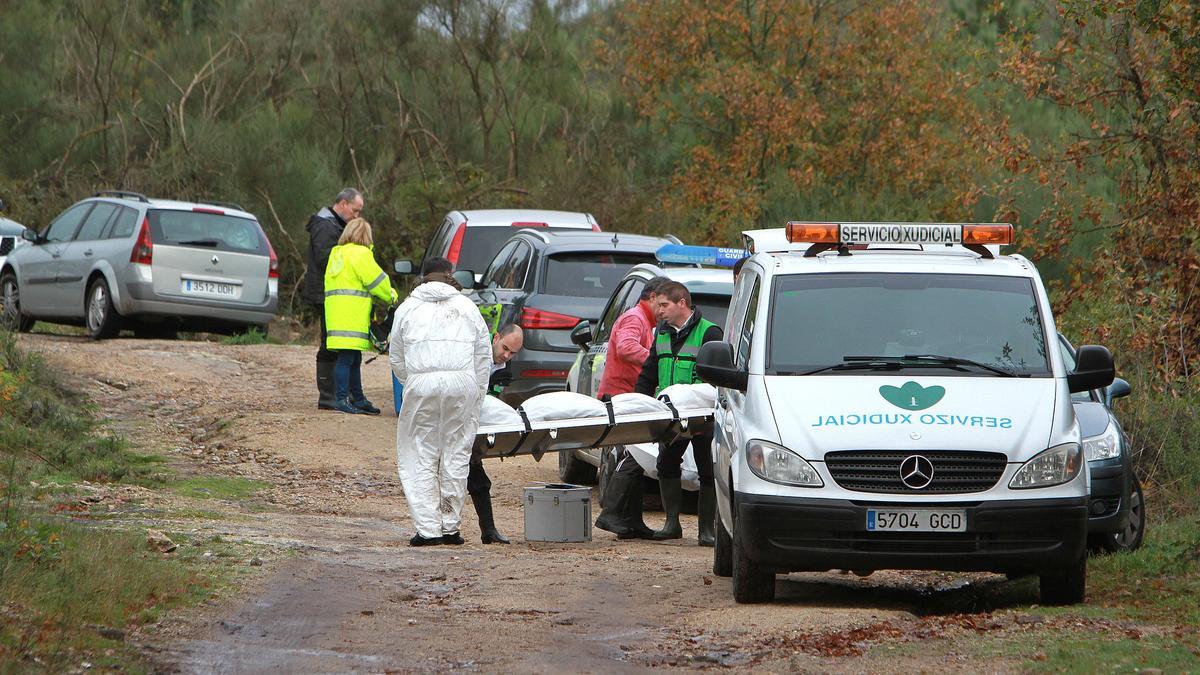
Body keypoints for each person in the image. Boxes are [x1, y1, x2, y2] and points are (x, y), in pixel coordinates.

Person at [390, 257, 491, 546]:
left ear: (424, 277)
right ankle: (451, 527)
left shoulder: (408, 308)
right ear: (450, 276)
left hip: (422, 384)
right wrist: (477, 394)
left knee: (420, 455)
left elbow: (396, 355)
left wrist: (413, 382)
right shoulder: (467, 307)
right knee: (456, 455)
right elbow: (483, 356)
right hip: (463, 384)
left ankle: (428, 529)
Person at [635, 280, 723, 545]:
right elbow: (649, 372)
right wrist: (638, 403)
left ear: (681, 303)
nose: (658, 310)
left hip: (702, 415)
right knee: (666, 463)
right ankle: (671, 524)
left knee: (708, 469)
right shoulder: (661, 332)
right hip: (670, 415)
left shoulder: (710, 332)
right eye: (657, 305)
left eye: (664, 305)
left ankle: (706, 530)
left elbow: (715, 377)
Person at [593, 276, 671, 539]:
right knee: (634, 457)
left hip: (629, 397)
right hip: (622, 397)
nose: (663, 311)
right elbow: (626, 348)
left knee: (635, 455)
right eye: (660, 304)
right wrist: (657, 361)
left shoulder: (645, 322)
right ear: (650, 298)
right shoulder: (635, 318)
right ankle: (614, 515)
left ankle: (631, 520)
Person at [323, 218, 396, 415]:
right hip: (353, 315)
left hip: (337, 314)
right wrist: (392, 295)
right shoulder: (361, 254)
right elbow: (377, 281)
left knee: (352, 357)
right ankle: (342, 399)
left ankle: (358, 398)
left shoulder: (336, 254)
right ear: (366, 235)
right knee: (347, 359)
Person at [305, 188, 364, 410]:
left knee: (333, 341)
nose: (356, 216)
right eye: (355, 211)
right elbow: (324, 258)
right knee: (329, 342)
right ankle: (328, 395)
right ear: (343, 204)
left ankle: (336, 394)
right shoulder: (325, 225)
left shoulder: (333, 224)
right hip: (325, 292)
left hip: (330, 291)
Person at [468, 323, 525, 544]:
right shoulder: (473, 353)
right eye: (505, 348)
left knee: (479, 480)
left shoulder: (505, 371)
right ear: (496, 337)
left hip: (473, 427)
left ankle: (488, 531)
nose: (506, 355)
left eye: (513, 353)